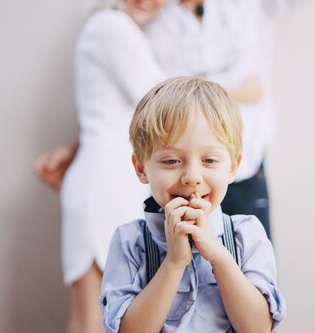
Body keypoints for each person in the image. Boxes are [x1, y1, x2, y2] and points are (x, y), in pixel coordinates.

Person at [143, 0, 315, 239]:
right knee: (178, 280)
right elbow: (138, 88)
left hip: (245, 167)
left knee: (254, 282)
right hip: (176, 176)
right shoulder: (153, 9)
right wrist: (235, 92)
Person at [54, 0, 177, 333]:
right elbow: (161, 100)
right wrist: (239, 92)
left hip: (111, 180)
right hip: (102, 184)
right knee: (93, 321)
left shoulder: (124, 33)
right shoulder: (110, 25)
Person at [101, 76, 284, 333]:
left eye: (209, 160)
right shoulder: (130, 242)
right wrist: (174, 263)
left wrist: (219, 257)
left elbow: (258, 329)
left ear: (232, 167)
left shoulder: (247, 236)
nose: (192, 178)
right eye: (171, 161)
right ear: (141, 168)